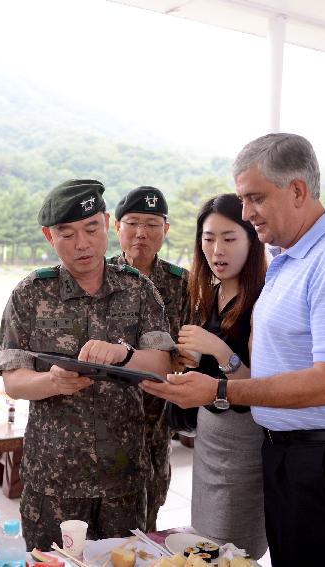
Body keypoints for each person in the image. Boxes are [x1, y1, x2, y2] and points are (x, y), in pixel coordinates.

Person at [142, 133, 325, 566]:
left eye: (255, 198)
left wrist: (219, 390)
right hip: (291, 456)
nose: (246, 213)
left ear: (297, 190)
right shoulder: (292, 257)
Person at [0, 179, 174, 550]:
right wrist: (52, 382)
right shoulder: (31, 294)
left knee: (123, 560)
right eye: (67, 234)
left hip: (123, 477)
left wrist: (124, 354)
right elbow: (13, 380)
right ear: (49, 236)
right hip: (54, 478)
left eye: (92, 229)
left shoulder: (138, 289)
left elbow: (161, 366)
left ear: (107, 224)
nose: (82, 244)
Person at [176, 194, 267, 559]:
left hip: (246, 439)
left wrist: (220, 351)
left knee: (236, 547)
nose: (217, 250)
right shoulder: (208, 295)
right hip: (209, 432)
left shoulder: (262, 299)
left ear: (252, 240)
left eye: (229, 239)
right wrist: (188, 363)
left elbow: (259, 387)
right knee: (207, 535)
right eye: (209, 238)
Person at [110, 185, 188, 532]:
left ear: (166, 230)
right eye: (133, 222)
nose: (142, 233)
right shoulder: (98, 277)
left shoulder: (182, 284)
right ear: (117, 227)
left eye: (153, 224)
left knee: (148, 513)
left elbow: (189, 351)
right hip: (103, 417)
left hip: (156, 419)